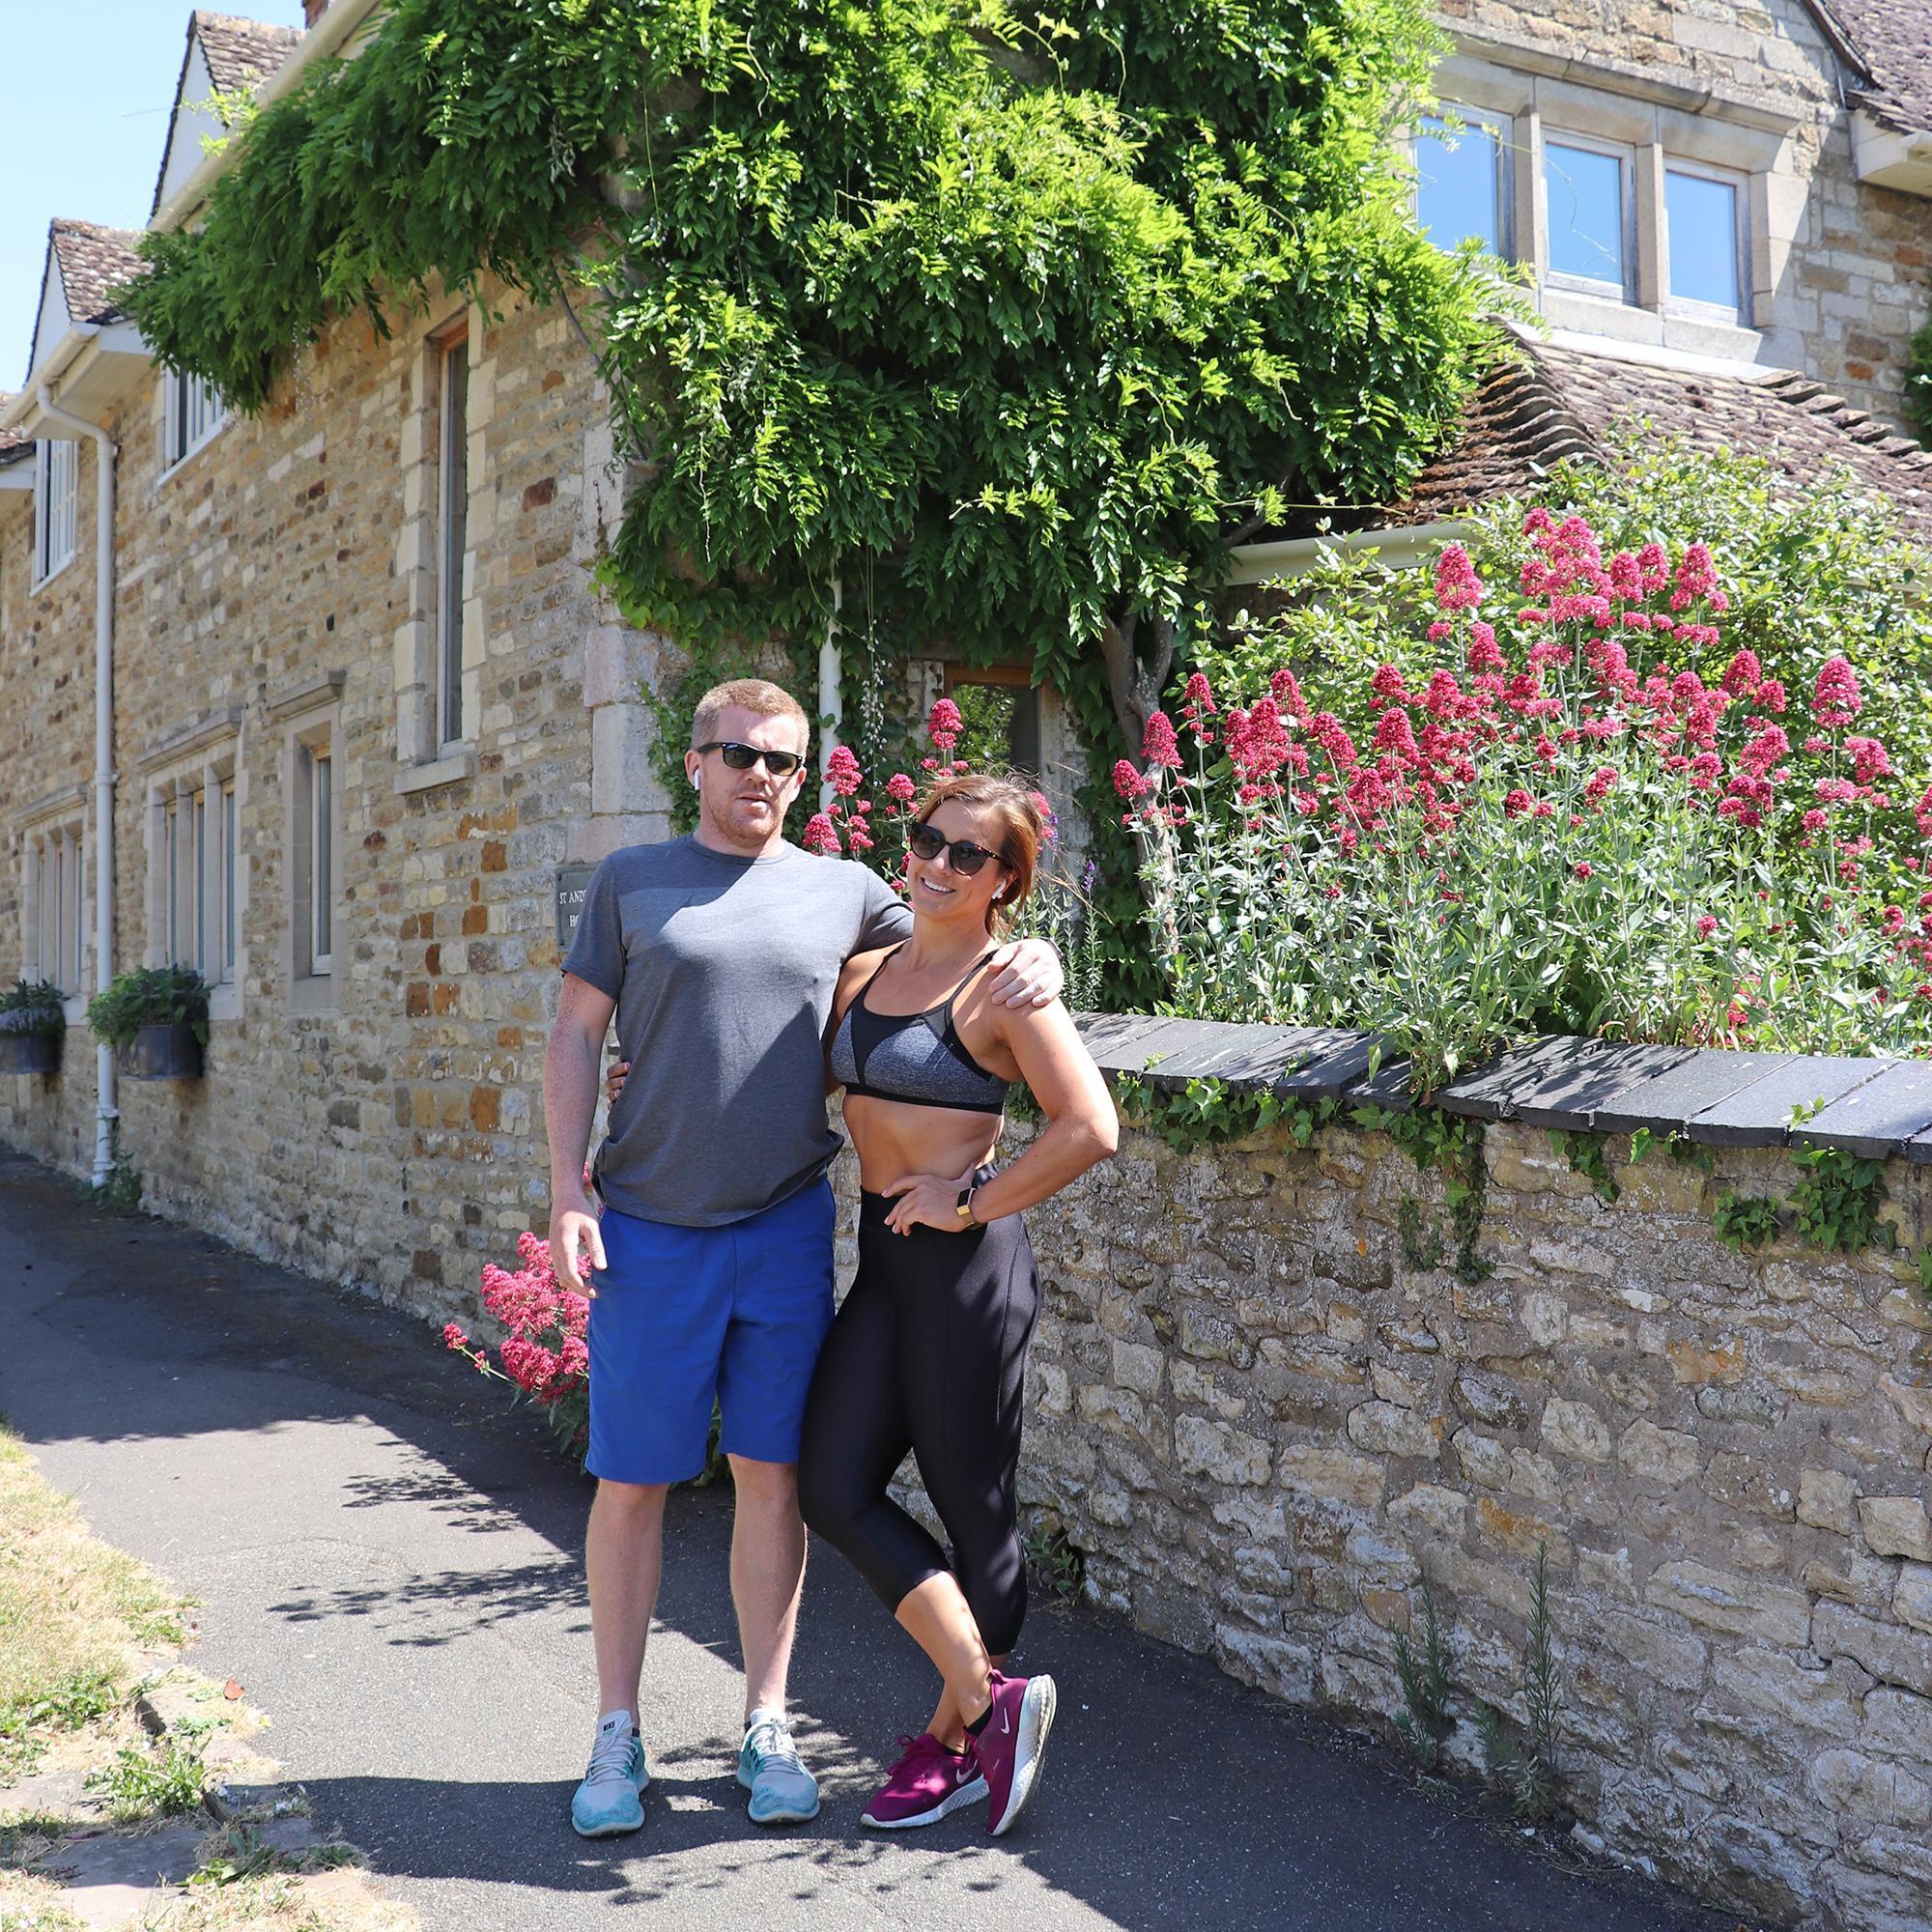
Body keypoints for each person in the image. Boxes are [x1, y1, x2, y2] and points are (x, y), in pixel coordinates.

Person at [544, 678, 1061, 1840]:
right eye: (736, 754)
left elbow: (957, 941)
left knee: (777, 1480)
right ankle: (616, 1731)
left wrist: (1045, 964)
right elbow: (577, 1030)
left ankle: (765, 1722)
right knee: (632, 1480)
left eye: (781, 760)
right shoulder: (630, 880)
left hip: (782, 1228)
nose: (759, 776)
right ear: (693, 762)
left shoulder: (846, 891)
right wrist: (566, 1184)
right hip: (650, 1226)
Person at [797, 772, 1118, 1837]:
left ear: (1004, 882)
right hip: (885, 1267)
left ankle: (945, 1741)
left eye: (966, 854)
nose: (935, 863)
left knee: (974, 1512)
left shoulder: (1003, 989)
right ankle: (992, 1705)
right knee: (830, 1484)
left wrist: (969, 1198)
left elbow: (1087, 1126)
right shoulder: (864, 969)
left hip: (964, 1272)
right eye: (926, 839)